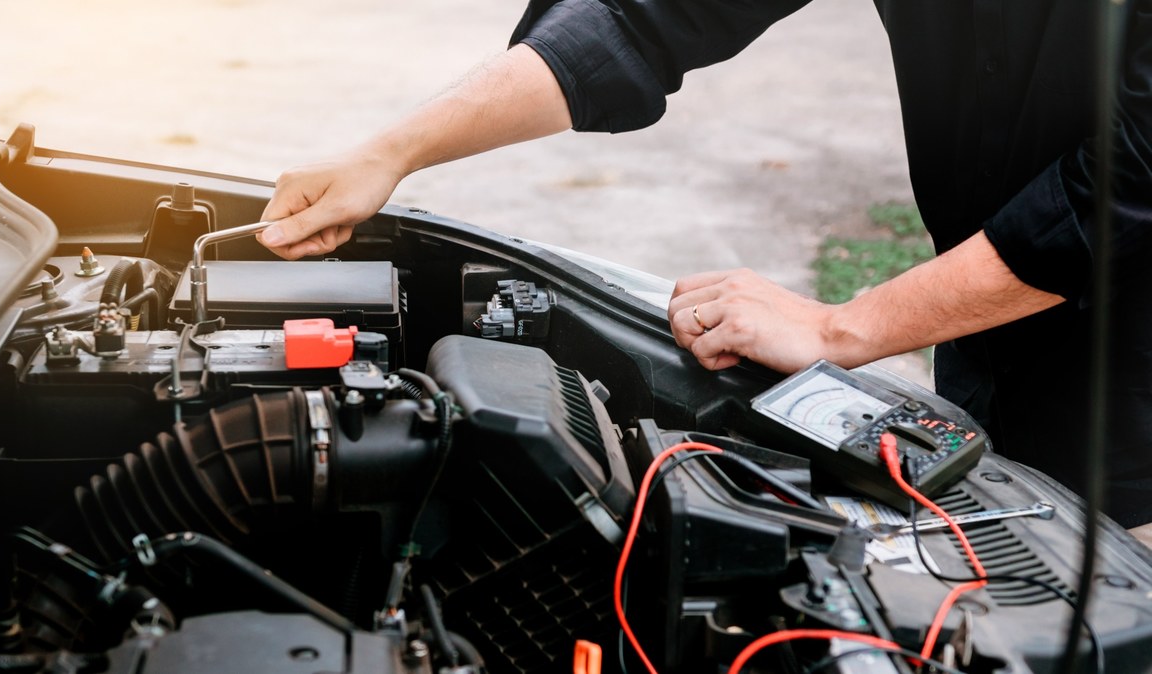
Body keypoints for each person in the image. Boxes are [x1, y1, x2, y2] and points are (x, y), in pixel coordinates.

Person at [255, 1, 1152, 528]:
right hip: (990, 331)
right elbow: (642, 19)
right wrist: (393, 151)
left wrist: (847, 328)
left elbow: (1130, 180)